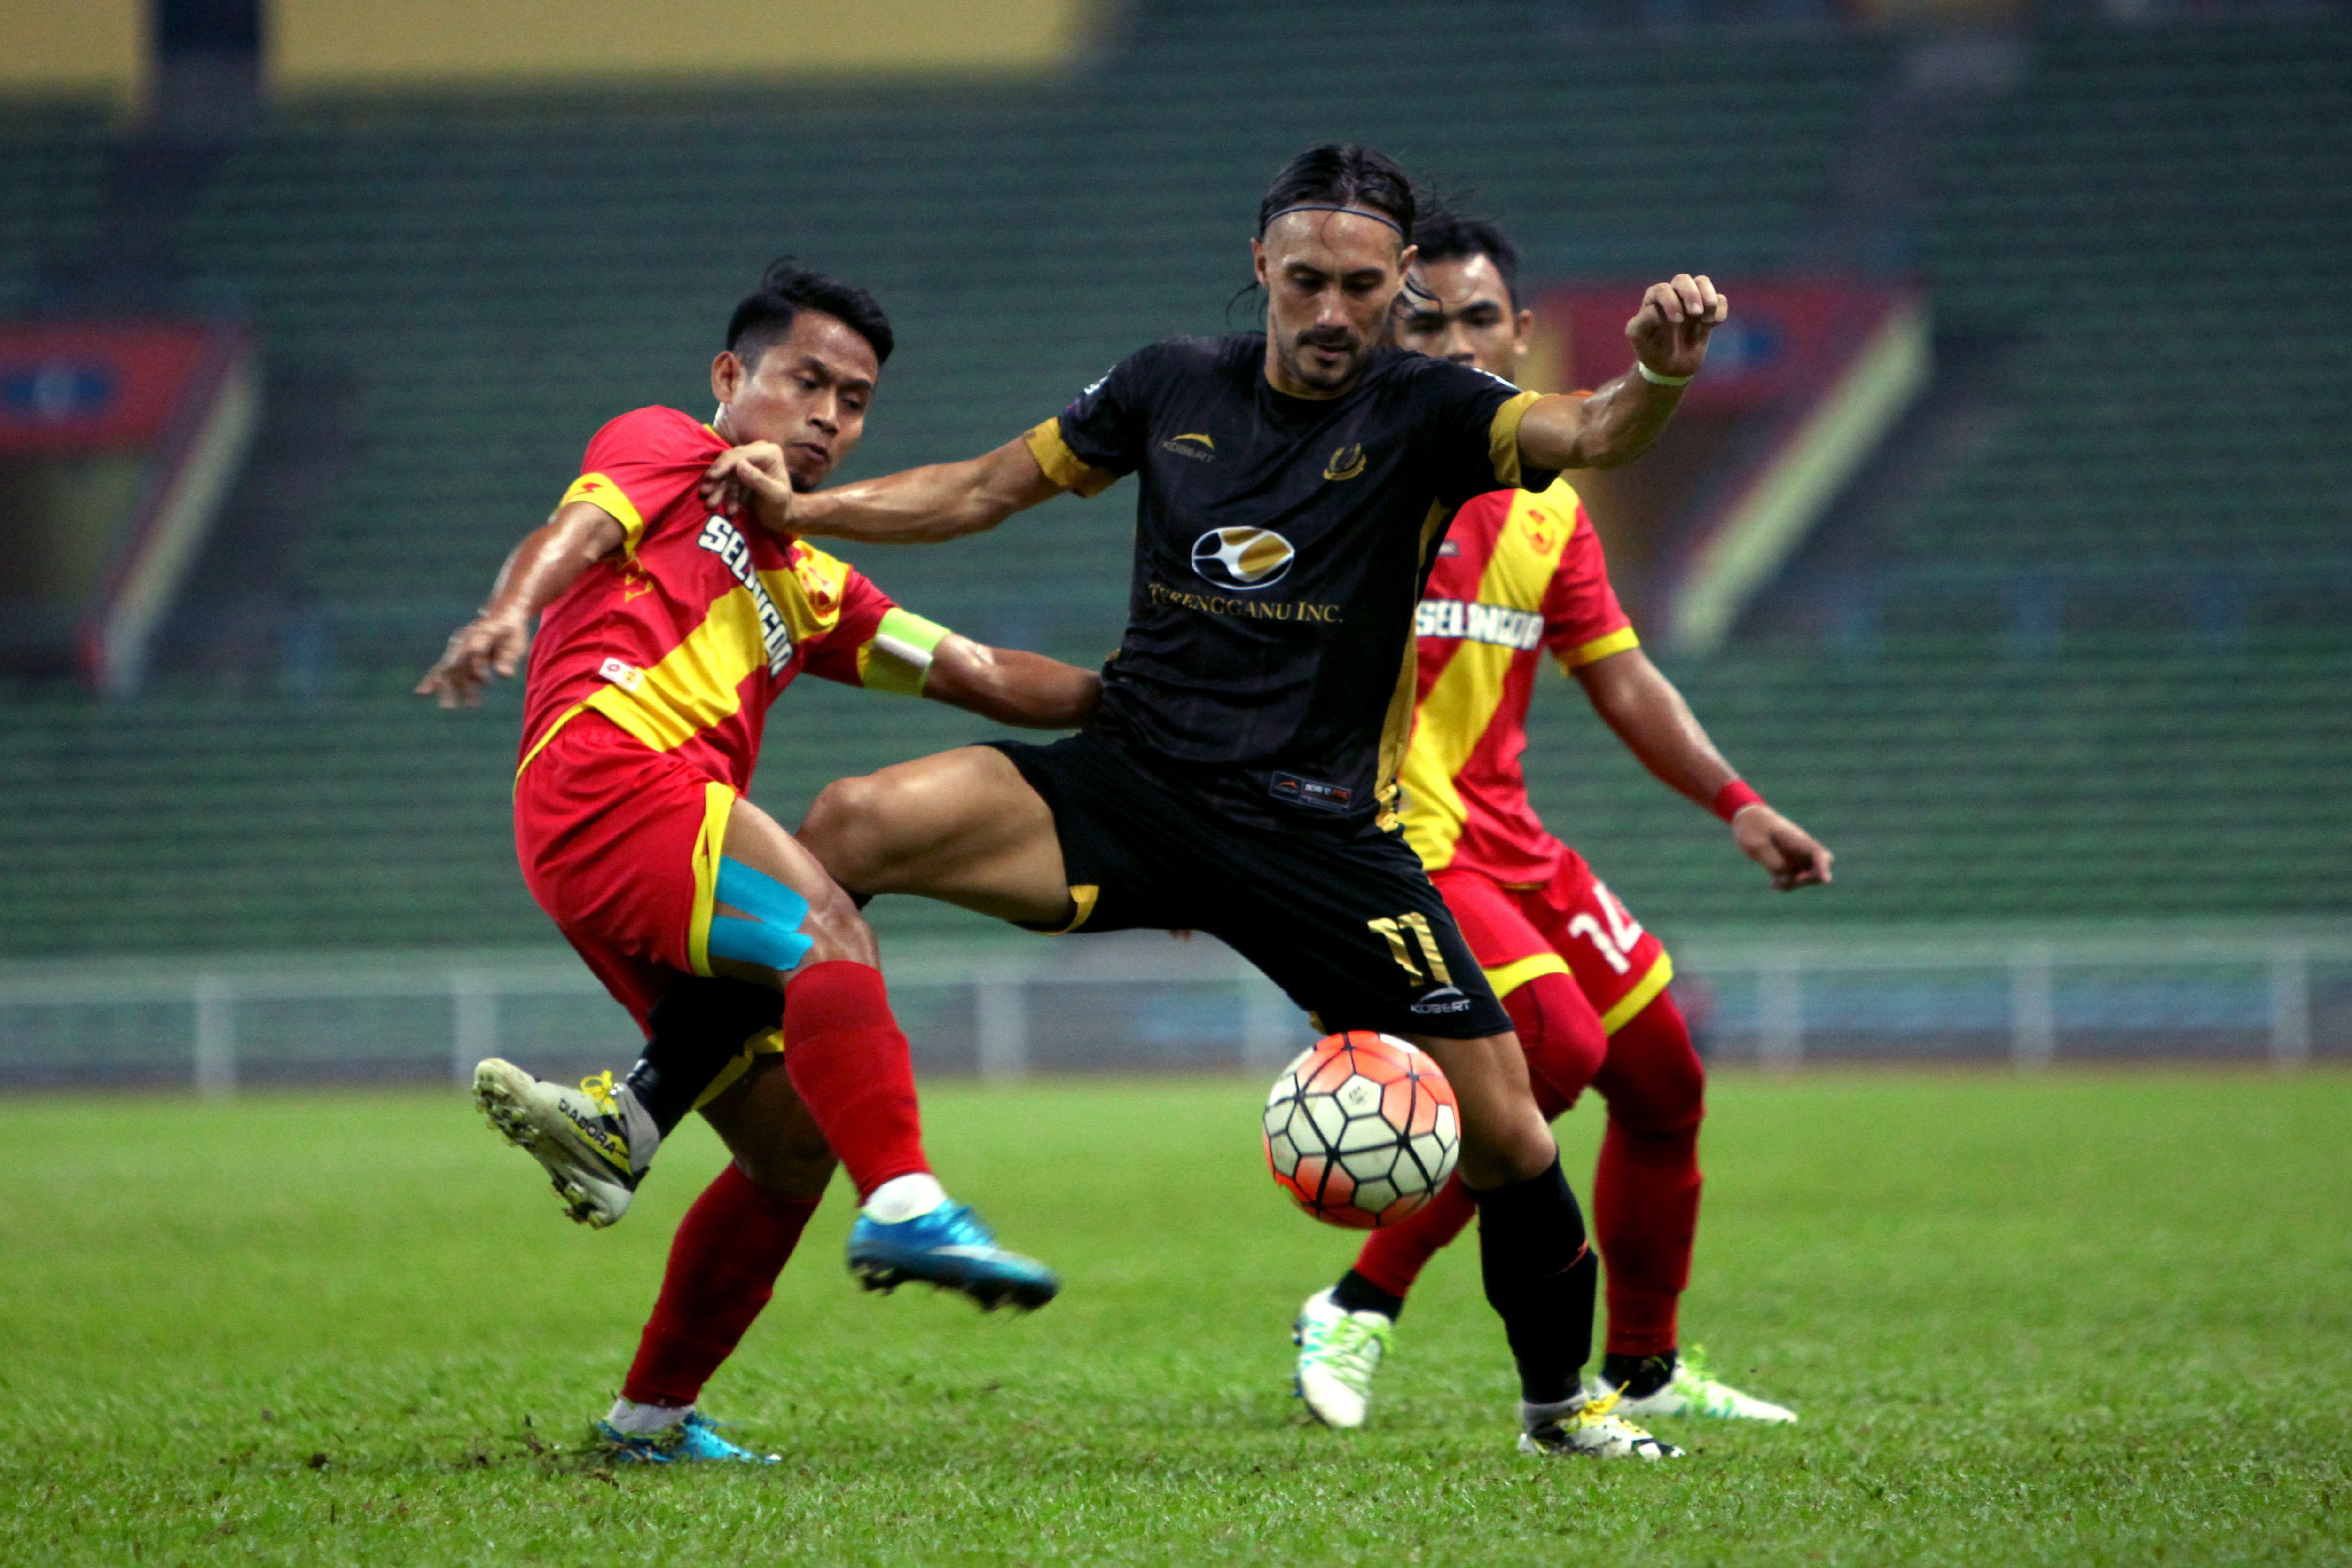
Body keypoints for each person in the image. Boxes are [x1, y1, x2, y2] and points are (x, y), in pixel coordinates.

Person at [695, 144, 1734, 1460]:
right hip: (1134, 785)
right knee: (847, 824)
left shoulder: (1432, 409)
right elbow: (977, 489)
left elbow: (1587, 430)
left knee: (1512, 1136)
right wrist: (809, 511)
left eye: (1361, 286)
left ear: (1396, 281)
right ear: (1260, 266)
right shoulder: (1167, 383)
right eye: (1304, 280)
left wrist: (1658, 373)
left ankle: (1559, 1408)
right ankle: (667, 1088)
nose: (1330, 312)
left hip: (1320, 842)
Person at [417, 260, 1103, 1460]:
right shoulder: (668, 448)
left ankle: (649, 1412)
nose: (830, 417)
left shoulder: (813, 579)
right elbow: (574, 530)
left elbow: (983, 675)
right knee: (829, 924)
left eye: (855, 400)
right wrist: (513, 607)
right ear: (733, 378)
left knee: (791, 1148)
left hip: (641, 839)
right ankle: (910, 1205)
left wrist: (1149, 701)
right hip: (613, 775)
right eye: (806, 383)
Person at [1286, 211, 1832, 1434]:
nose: (1454, 338)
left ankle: (1645, 1366)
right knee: (1554, 1056)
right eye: (1422, 319)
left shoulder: (1547, 505)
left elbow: (1622, 677)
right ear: (1380, 330)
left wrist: (1736, 804)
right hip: (1395, 848)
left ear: (1518, 333)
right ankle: (1356, 1302)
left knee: (1661, 1079)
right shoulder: (1345, 474)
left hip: (1510, 841)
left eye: (1478, 318)